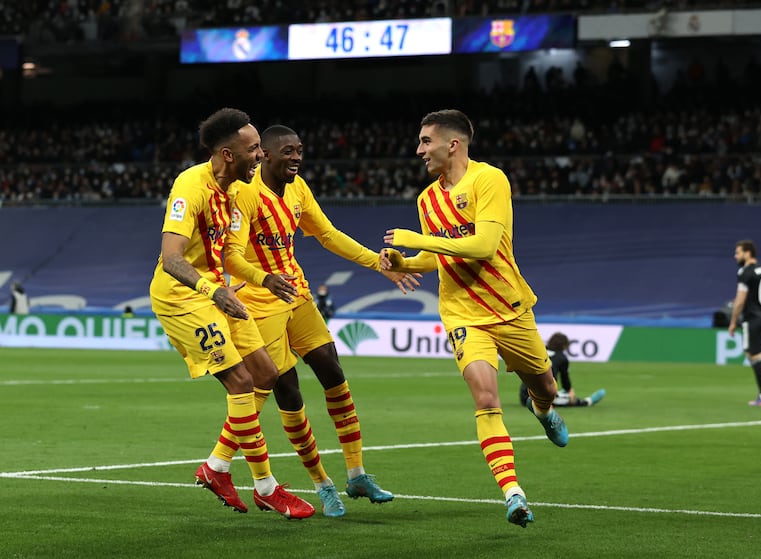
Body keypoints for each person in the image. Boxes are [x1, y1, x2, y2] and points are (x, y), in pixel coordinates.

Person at [380, 109, 568, 528]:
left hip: (509, 307)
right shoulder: (427, 199)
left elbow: (483, 245)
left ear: (453, 144)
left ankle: (543, 411)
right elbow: (436, 254)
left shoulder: (489, 180)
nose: (419, 150)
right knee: (486, 398)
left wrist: (415, 239)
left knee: (547, 386)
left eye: (425, 141)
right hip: (463, 313)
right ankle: (513, 493)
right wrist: (405, 261)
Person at [222, 124, 420, 517]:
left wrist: (376, 263)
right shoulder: (243, 195)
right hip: (259, 304)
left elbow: (327, 234)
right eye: (289, 151)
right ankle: (322, 484)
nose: (297, 157)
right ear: (267, 156)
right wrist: (262, 280)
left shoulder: (298, 190)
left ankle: (357, 472)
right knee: (289, 393)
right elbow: (232, 256)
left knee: (332, 369)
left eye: (300, 150)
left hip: (296, 294)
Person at [148, 108, 315, 519]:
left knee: (266, 374)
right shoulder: (191, 186)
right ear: (227, 154)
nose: (261, 155)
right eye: (254, 148)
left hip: (219, 292)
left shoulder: (239, 190)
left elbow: (231, 256)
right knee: (241, 382)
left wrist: (261, 279)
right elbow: (171, 258)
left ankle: (217, 468)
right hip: (182, 297)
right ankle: (267, 487)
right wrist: (212, 289)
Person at [728, 239, 761, 407]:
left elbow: (740, 300)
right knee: (755, 354)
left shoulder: (745, 272)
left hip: (752, 318)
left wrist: (733, 321)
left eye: (738, 253)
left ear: (747, 253)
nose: (735, 256)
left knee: (753, 354)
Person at [519, 332, 606, 408]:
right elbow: (565, 380)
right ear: (564, 346)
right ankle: (586, 402)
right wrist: (569, 390)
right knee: (568, 399)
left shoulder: (540, 351)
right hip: (540, 397)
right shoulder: (561, 358)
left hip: (524, 394)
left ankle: (561, 394)